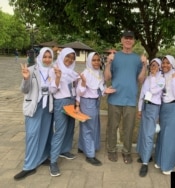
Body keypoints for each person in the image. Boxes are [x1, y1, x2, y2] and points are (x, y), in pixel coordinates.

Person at [104, 30, 147, 164]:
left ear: (133, 41)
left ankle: (127, 152)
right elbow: (107, 77)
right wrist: (108, 63)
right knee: (112, 126)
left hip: (130, 100)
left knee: (128, 128)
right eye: (126, 38)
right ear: (121, 40)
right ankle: (111, 150)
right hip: (115, 98)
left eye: (131, 39)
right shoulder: (114, 57)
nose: (128, 41)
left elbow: (140, 80)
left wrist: (145, 65)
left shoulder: (137, 59)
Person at [14, 47, 54, 180]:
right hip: (34, 106)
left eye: (49, 57)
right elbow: (24, 90)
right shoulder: (31, 70)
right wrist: (26, 79)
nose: (47, 59)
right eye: (45, 56)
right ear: (40, 56)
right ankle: (28, 166)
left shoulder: (53, 71)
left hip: (47, 107)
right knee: (32, 135)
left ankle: (42, 158)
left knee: (44, 134)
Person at [76, 52, 116, 166]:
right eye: (94, 60)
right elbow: (79, 92)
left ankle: (82, 147)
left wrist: (105, 90)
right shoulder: (85, 73)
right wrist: (83, 83)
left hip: (95, 102)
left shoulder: (98, 73)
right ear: (89, 61)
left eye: (98, 60)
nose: (96, 62)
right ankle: (90, 155)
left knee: (91, 125)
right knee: (89, 127)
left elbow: (100, 88)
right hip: (87, 102)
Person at [49, 47, 79, 176]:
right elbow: (52, 90)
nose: (69, 60)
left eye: (72, 58)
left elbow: (76, 89)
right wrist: (57, 77)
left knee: (70, 128)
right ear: (62, 56)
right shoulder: (55, 70)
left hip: (71, 101)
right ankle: (53, 161)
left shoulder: (72, 73)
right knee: (60, 131)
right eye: (68, 57)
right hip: (61, 102)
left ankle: (64, 150)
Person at [154, 55, 175, 175]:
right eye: (163, 63)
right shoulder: (160, 76)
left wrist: (173, 77)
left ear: (172, 64)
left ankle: (168, 165)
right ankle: (160, 160)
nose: (165, 65)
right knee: (162, 135)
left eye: (168, 63)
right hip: (163, 107)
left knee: (171, 137)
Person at [136, 58, 165, 177]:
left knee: (148, 134)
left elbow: (153, 90)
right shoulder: (147, 78)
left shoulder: (161, 80)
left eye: (155, 65)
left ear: (159, 67)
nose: (153, 67)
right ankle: (145, 155)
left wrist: (153, 77)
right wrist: (139, 109)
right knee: (143, 132)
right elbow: (142, 94)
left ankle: (145, 163)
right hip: (145, 107)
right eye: (152, 65)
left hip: (154, 108)